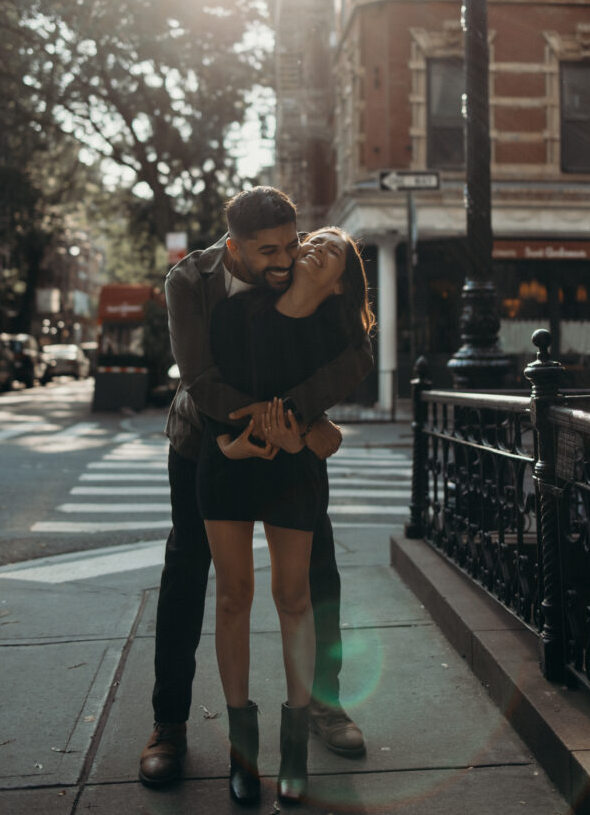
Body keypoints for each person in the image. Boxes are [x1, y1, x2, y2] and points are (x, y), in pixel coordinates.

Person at [139, 188, 374, 789]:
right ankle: (169, 724)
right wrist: (292, 424)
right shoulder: (189, 281)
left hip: (290, 448)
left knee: (315, 577)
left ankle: (323, 705)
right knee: (190, 576)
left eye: (292, 243)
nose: (285, 258)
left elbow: (346, 354)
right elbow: (200, 379)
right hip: (204, 443)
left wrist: (298, 419)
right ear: (233, 246)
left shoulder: (299, 264)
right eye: (268, 250)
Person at [198, 226, 374, 804]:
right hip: (228, 463)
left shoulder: (338, 340)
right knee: (233, 597)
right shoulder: (235, 311)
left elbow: (321, 420)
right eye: (315, 237)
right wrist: (231, 441)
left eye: (335, 250)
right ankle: (242, 757)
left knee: (295, 599)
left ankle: (294, 755)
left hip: (293, 470)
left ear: (342, 280)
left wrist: (304, 436)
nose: (318, 244)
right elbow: (207, 390)